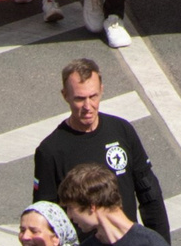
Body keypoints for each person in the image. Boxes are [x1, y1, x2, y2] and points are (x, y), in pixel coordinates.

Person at [35, 58, 171, 232]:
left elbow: (149, 193)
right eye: (79, 98)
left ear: (101, 91)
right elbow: (46, 215)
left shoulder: (121, 130)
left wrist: (160, 242)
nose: (87, 106)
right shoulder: (50, 150)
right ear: (65, 95)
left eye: (93, 96)